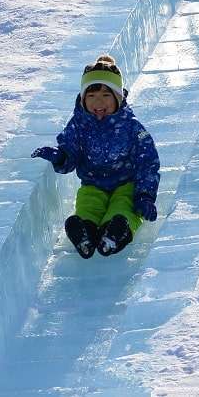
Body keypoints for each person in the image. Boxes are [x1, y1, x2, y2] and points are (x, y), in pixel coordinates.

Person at [31, 55, 160, 259]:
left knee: (124, 206)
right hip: (92, 183)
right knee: (88, 205)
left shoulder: (131, 126)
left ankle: (116, 232)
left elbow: (147, 161)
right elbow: (70, 152)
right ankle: (85, 232)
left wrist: (145, 196)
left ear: (118, 97)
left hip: (126, 183)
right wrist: (60, 157)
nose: (98, 102)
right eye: (91, 96)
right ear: (83, 99)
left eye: (106, 95)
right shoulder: (78, 124)